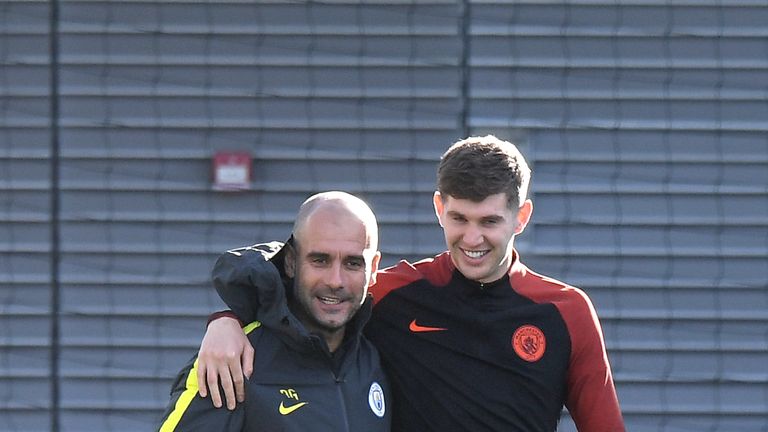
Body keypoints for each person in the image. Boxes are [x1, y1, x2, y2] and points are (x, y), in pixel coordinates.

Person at [199, 135, 625, 431]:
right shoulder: (390, 294)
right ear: (439, 208)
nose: (472, 238)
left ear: (522, 217)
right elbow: (307, 277)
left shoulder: (566, 311)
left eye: (489, 222)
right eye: (459, 218)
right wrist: (226, 317)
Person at [157, 192, 391, 431]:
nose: (335, 281)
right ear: (290, 261)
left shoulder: (379, 356)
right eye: (320, 260)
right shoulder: (232, 363)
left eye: (353, 263)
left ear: (373, 268)